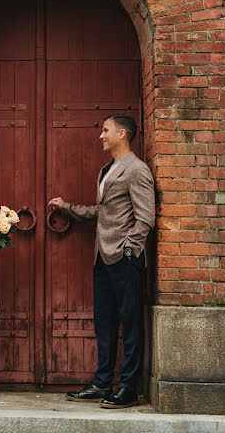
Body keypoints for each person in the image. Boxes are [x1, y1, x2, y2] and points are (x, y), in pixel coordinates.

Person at [49, 115, 155, 409]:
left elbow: (145, 217)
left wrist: (129, 250)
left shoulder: (137, 170)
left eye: (106, 130)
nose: (101, 136)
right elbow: (103, 212)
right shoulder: (107, 169)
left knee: (131, 324)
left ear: (122, 133)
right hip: (102, 257)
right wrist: (67, 208)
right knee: (104, 323)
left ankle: (128, 388)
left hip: (125, 258)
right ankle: (101, 382)